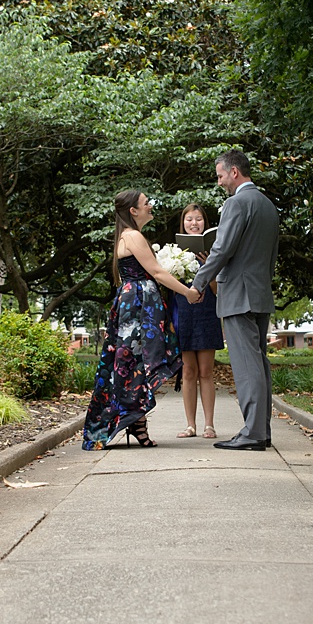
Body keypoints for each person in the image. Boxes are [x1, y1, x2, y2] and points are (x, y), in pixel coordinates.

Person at [83, 190, 202, 450]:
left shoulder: (129, 235)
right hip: (137, 305)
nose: (151, 206)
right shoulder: (133, 236)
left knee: (134, 362)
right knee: (134, 362)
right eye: (146, 203)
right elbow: (157, 272)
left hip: (137, 303)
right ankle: (135, 421)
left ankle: (137, 422)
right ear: (133, 211)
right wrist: (188, 292)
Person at [189, 150, 280, 451]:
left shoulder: (236, 203)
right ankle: (261, 430)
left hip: (238, 295)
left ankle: (252, 434)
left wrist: (199, 282)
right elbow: (271, 257)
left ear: (234, 173)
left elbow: (223, 249)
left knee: (246, 365)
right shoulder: (267, 205)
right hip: (260, 293)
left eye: (220, 176)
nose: (219, 183)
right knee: (260, 363)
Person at [171, 203, 225, 439]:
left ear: (206, 223)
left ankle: (209, 425)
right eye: (189, 219)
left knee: (206, 371)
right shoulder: (173, 253)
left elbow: (216, 290)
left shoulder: (215, 252)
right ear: (183, 223)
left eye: (199, 219)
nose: (194, 223)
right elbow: (171, 289)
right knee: (188, 371)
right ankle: (190, 425)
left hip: (206, 312)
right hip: (183, 313)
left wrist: (208, 266)